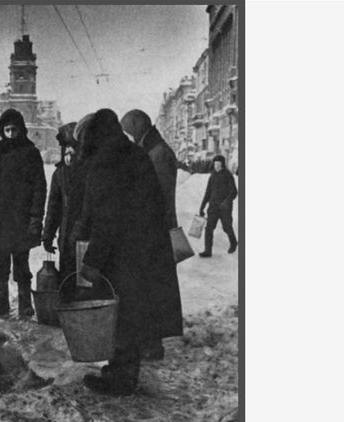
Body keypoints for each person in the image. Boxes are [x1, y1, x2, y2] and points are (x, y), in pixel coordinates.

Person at [75, 109, 183, 396]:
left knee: (121, 313)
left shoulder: (106, 163)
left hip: (123, 253)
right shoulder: (134, 155)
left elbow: (107, 217)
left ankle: (119, 379)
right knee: (134, 313)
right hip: (144, 248)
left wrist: (93, 261)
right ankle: (124, 373)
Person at [120, 109, 184, 360]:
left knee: (154, 287)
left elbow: (154, 196)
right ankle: (153, 339)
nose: (129, 137)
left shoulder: (157, 155)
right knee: (155, 286)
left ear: (137, 127)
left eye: (129, 131)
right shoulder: (155, 148)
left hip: (156, 230)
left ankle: (154, 343)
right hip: (157, 228)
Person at [0, 108, 47, 318]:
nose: (10, 134)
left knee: (21, 266)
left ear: (21, 129)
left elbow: (39, 188)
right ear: (1, 130)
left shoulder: (30, 152)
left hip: (21, 220)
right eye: (6, 130)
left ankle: (25, 305)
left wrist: (36, 218)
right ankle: (0, 304)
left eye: (14, 129)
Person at [41, 122, 81, 284]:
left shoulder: (89, 172)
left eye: (73, 152)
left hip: (85, 237)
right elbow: (53, 208)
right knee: (67, 279)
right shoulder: (59, 174)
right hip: (66, 236)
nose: (69, 158)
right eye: (66, 153)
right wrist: (48, 236)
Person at [198, 154, 239, 257]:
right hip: (213, 207)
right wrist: (202, 206)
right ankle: (208, 251)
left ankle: (233, 242)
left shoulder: (228, 175)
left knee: (227, 227)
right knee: (209, 229)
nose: (216, 167)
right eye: (215, 164)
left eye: (218, 165)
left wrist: (226, 202)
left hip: (225, 208)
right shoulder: (212, 176)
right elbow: (208, 193)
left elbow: (234, 192)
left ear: (222, 165)